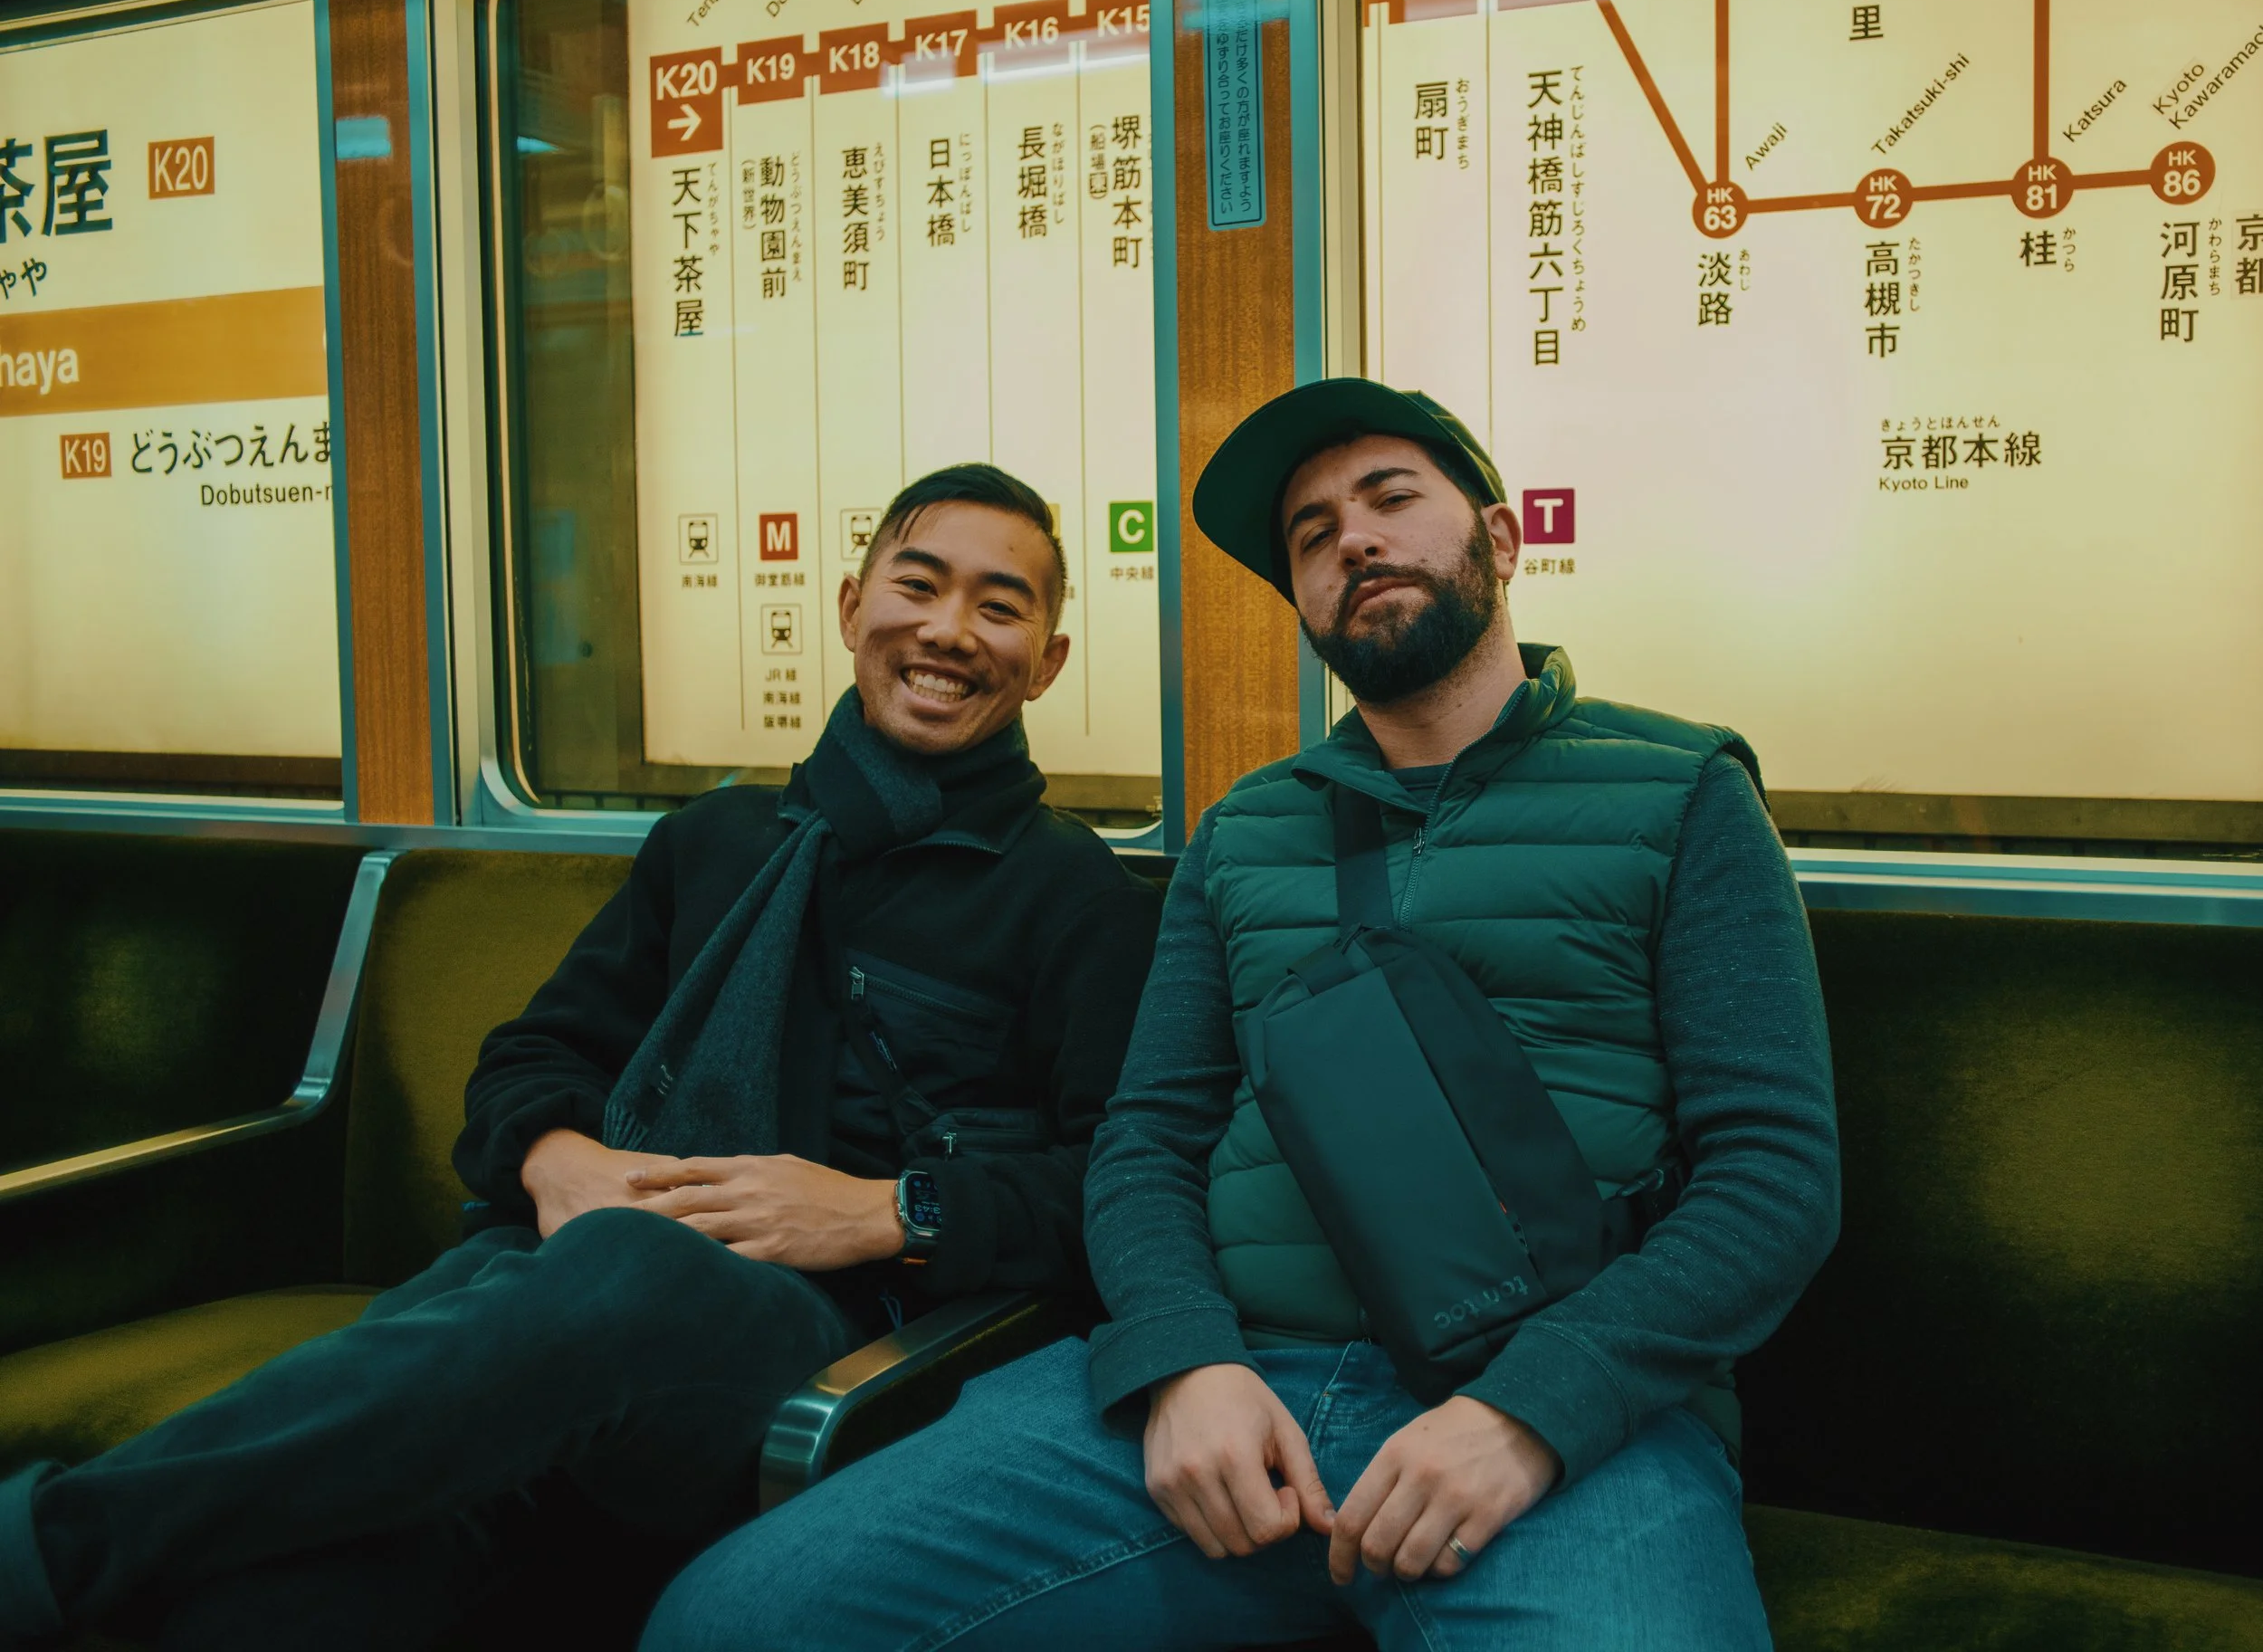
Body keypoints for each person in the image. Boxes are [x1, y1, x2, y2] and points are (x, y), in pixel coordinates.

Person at [645, 378, 1840, 1651]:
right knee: (730, 1620)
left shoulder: (1683, 793)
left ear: (1499, 541)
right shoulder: (1249, 829)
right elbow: (1146, 1138)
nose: (1353, 542)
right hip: (1229, 1390)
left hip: (1565, 1421)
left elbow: (1773, 1176)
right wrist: (1182, 1362)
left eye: (1390, 502)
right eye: (1313, 537)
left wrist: (1531, 1414)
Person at [0, 463, 1162, 1650]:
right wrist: (557, 1160)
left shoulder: (1074, 898)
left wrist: (886, 1209)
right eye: (919, 586)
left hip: (855, 1334)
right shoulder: (713, 843)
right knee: (291, 1592)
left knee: (613, 1273)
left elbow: (1120, 1185)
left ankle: (51, 1547)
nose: (948, 630)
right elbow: (535, 1054)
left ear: (1048, 660)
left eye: (998, 605)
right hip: (577, 1290)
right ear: (850, 603)